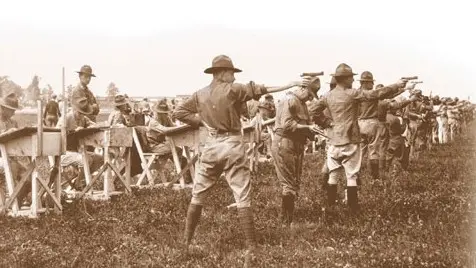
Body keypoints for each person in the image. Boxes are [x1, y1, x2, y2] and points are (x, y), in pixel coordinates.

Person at [173, 54, 302, 266]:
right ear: (222, 73)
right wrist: (290, 84)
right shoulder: (233, 90)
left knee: (197, 194)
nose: (234, 76)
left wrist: (202, 122)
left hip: (211, 146)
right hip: (232, 144)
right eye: (232, 72)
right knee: (242, 195)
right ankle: (252, 247)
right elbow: (261, 89)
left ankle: (186, 242)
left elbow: (179, 111)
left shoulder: (199, 94)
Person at [308, 63, 407, 217]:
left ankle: (330, 207)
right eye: (351, 78)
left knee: (333, 174)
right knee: (351, 175)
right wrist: (397, 85)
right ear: (345, 79)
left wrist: (327, 123)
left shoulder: (328, 96)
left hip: (334, 139)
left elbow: (312, 111)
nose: (353, 80)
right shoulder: (353, 94)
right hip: (351, 139)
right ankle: (353, 209)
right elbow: (375, 95)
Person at [272, 76, 326, 226]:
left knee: (294, 182)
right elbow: (287, 125)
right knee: (288, 183)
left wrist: (313, 132)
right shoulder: (288, 100)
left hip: (296, 144)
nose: (309, 98)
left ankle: (288, 218)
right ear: (302, 88)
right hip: (284, 143)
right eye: (308, 94)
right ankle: (286, 222)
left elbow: (306, 123)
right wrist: (308, 128)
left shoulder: (302, 103)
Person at [145, 99, 192, 184]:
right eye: (164, 113)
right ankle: (178, 175)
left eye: (166, 113)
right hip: (154, 146)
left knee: (182, 155)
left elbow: (174, 127)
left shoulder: (166, 119)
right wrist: (180, 127)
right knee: (175, 148)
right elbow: (165, 130)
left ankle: (183, 176)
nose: (166, 115)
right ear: (158, 113)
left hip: (162, 145)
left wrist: (185, 126)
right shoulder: (153, 122)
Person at [0, 90, 31, 206]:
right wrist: (7, 133)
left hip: (11, 158)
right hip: (2, 158)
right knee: (12, 168)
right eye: (11, 110)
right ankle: (9, 204)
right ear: (3, 108)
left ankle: (14, 202)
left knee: (29, 177)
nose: (13, 112)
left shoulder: (13, 122)